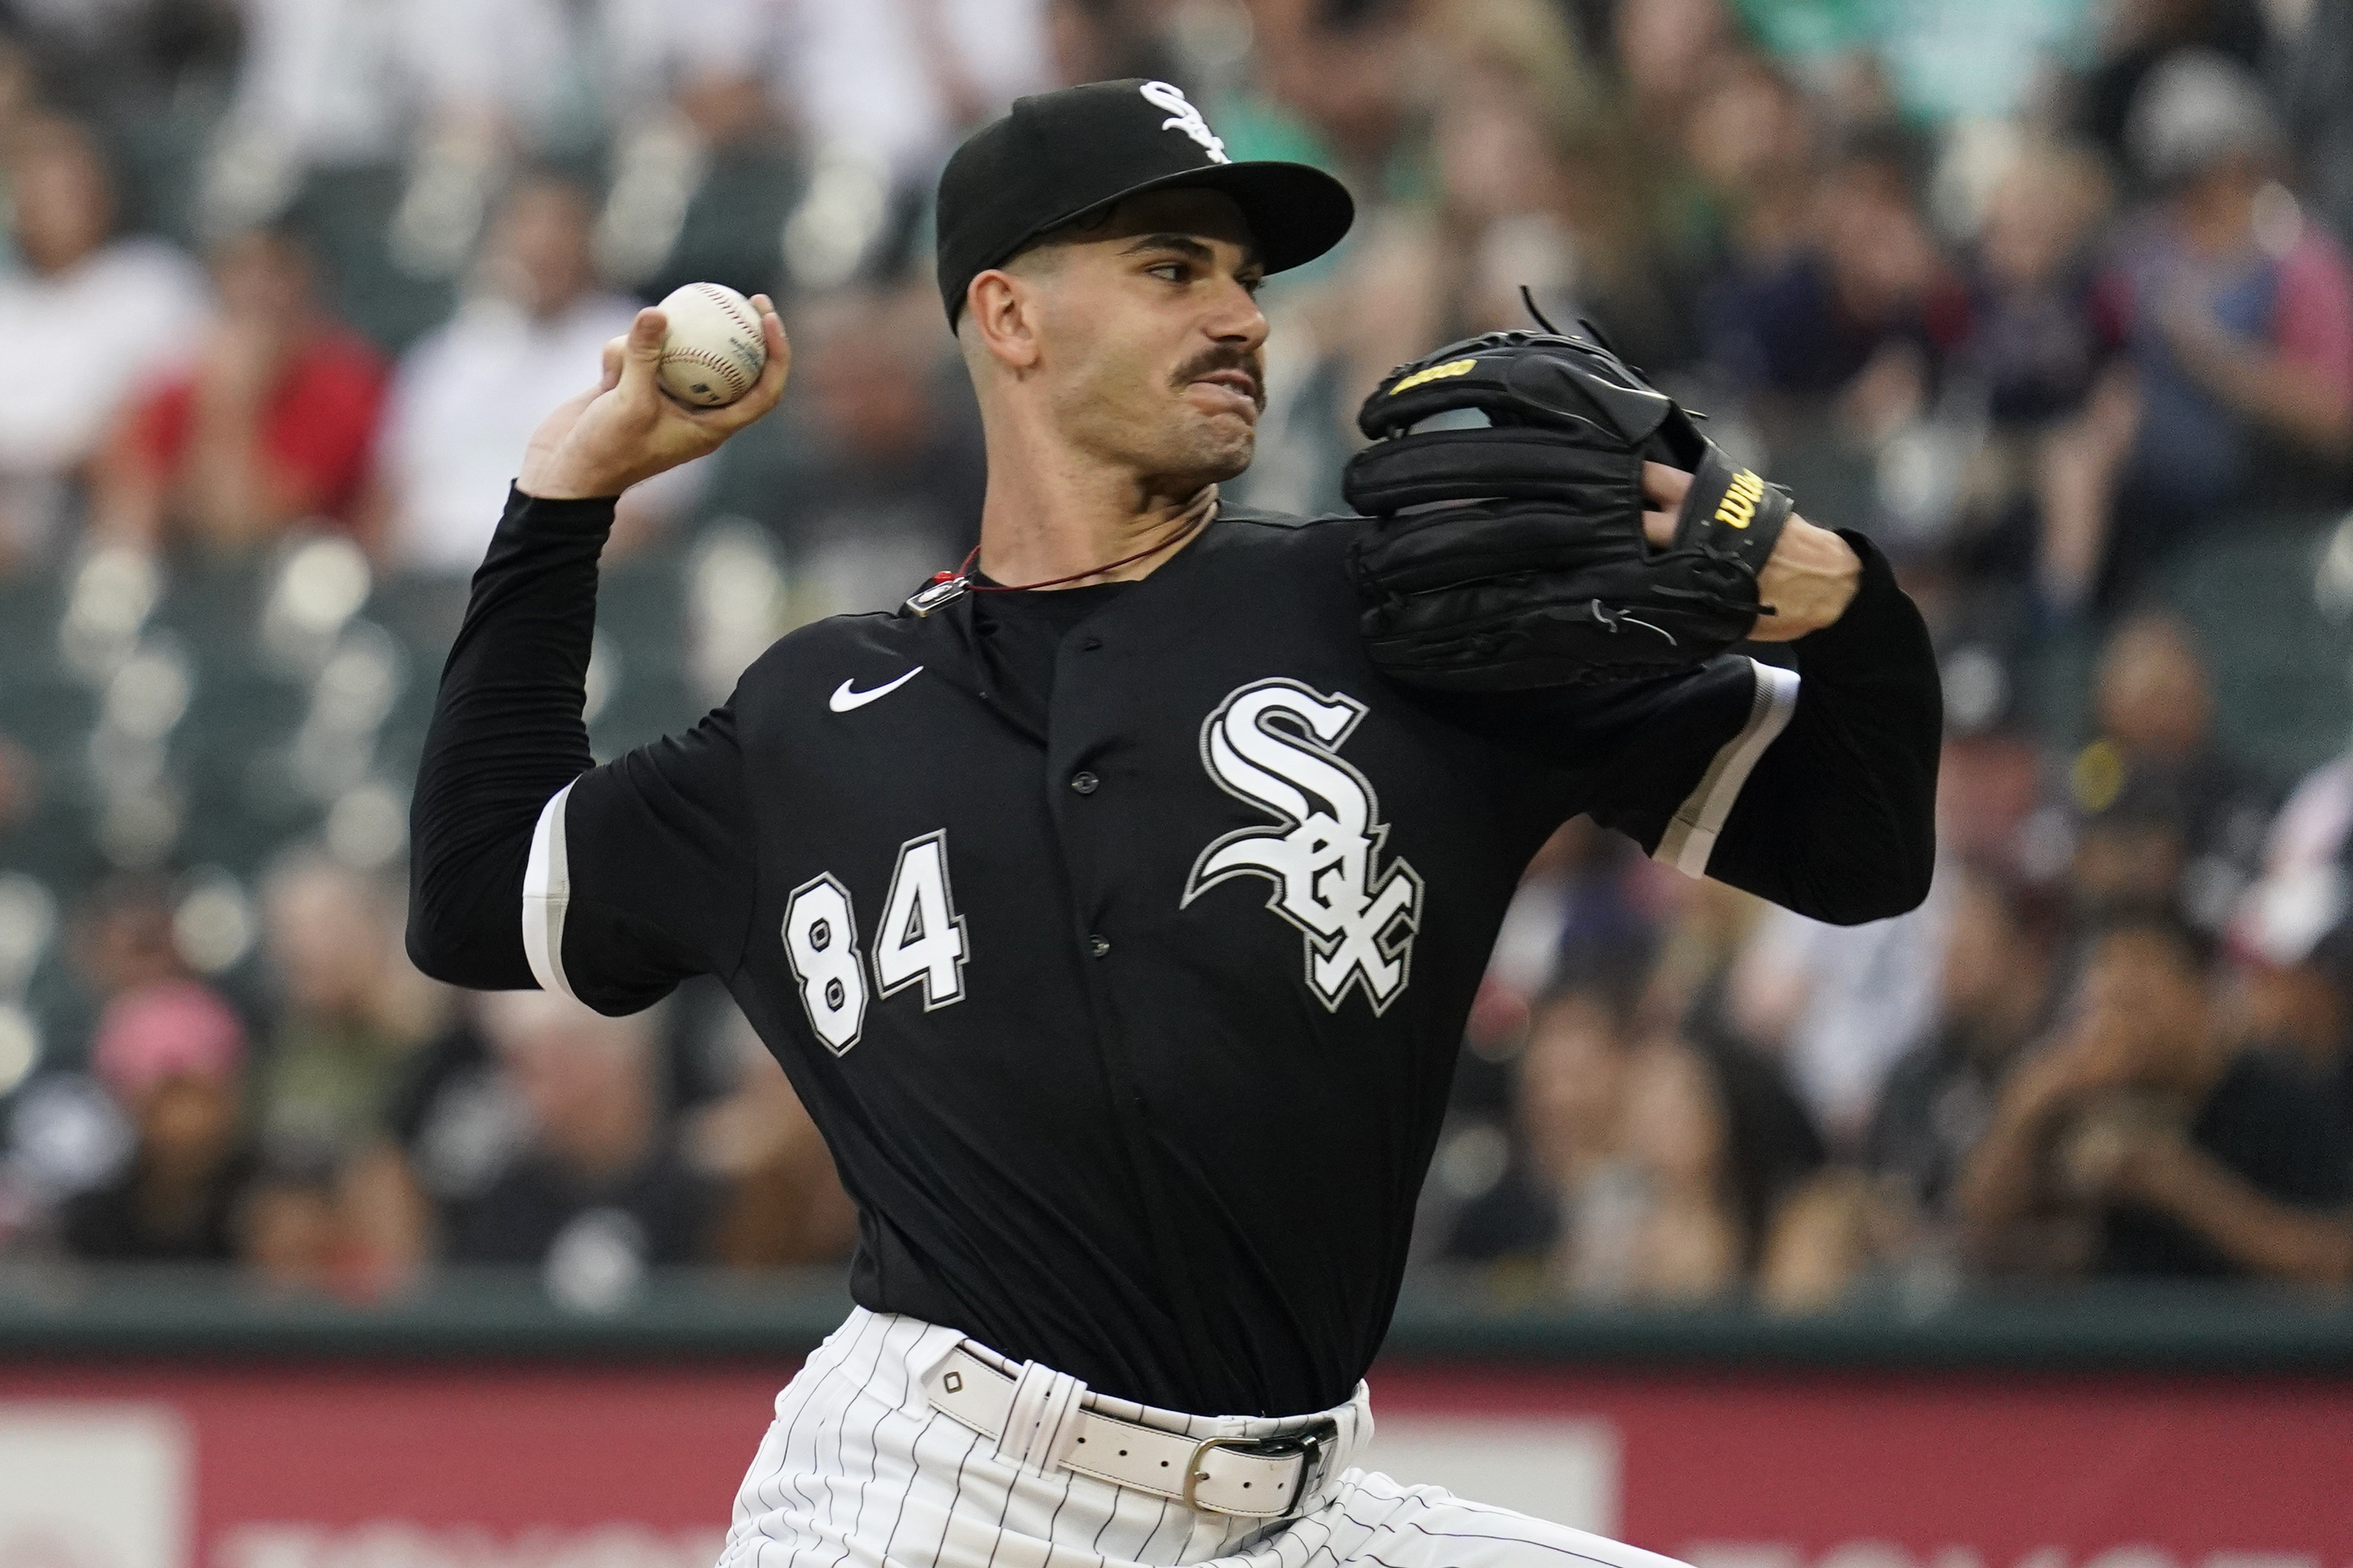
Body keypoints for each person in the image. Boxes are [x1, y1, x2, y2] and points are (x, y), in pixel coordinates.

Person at [405, 79, 1936, 1568]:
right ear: (1007, 317)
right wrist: (562, 499)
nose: (1241, 316)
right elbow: (479, 893)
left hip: (1296, 1506)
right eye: (1169, 267)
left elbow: (1852, 852)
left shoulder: (1399, 618)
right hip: (933, 1495)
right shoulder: (814, 715)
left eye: (1246, 277)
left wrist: (1842, 601)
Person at [1954, 912, 2353, 1282]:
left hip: (2243, 1349)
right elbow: (1975, 1232)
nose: (2119, 1026)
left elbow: (2335, 1259)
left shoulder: (2276, 1098)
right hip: (2108, 1344)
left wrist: (2176, 1186)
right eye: (2102, 1006)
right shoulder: (2084, 1100)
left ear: (2199, 995)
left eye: (2136, 1001)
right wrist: (2029, 1105)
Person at [90, 226, 389, 554]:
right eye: (240, 270)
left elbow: (241, 533)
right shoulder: (185, 384)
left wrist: (231, 406)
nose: (256, 289)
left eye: (275, 271)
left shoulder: (345, 385)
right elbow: (126, 512)